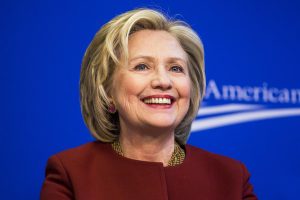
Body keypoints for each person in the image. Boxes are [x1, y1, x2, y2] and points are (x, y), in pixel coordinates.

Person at [40, 8, 257, 200]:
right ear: (108, 91)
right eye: (142, 66)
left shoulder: (232, 177)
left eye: (176, 68)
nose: (163, 81)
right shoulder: (70, 173)